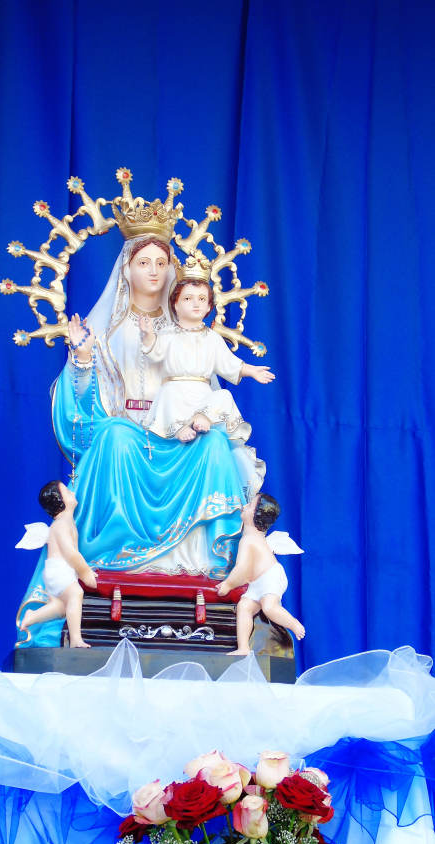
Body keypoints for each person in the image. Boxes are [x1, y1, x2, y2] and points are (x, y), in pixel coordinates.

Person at [17, 233, 265, 648]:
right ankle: (116, 554)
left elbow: (211, 386)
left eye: (161, 263)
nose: (153, 271)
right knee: (114, 436)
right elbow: (79, 412)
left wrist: (202, 418)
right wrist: (82, 359)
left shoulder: (191, 330)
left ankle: (202, 562)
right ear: (126, 270)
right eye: (143, 262)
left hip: (180, 431)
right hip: (129, 435)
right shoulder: (105, 329)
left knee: (215, 445)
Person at [140, 278, 275, 442]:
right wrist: (148, 335)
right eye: (188, 298)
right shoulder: (167, 334)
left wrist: (252, 371)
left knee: (224, 395)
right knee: (169, 393)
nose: (196, 304)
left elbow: (229, 364)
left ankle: (202, 417)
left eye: (202, 299)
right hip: (175, 389)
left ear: (209, 306)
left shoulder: (212, 338)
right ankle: (178, 427)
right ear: (176, 305)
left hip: (201, 393)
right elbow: (154, 353)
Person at [216, 493, 305, 654]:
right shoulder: (251, 538)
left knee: (269, 607)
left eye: (250, 505)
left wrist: (228, 584)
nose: (244, 506)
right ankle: (243, 647)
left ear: (257, 515)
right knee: (244, 606)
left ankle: (294, 624)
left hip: (271, 577)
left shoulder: (249, 540)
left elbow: (242, 569)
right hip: (258, 582)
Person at [16, 481, 97, 648]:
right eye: (67, 492)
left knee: (60, 608)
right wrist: (85, 572)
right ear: (59, 501)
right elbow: (70, 552)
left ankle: (32, 616)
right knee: (76, 593)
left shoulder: (65, 522)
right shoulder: (62, 524)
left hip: (56, 571)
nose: (72, 493)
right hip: (59, 570)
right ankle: (76, 639)